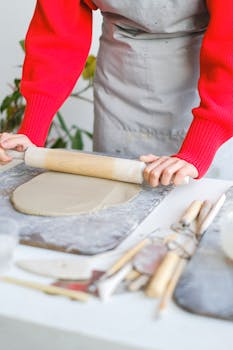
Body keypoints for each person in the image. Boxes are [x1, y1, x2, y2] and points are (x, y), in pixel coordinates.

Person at [0, 0, 232, 187]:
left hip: (212, 95)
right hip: (119, 85)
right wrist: (32, 131)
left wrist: (199, 149)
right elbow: (56, 36)